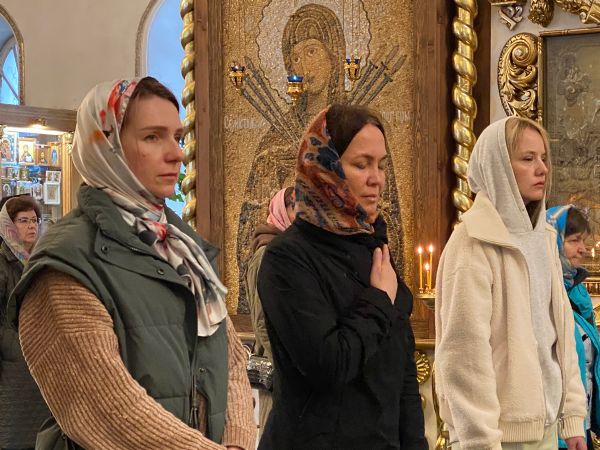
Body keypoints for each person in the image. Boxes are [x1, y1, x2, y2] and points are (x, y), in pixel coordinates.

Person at [8, 78, 255, 450]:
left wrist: (236, 441)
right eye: (152, 137)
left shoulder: (181, 247)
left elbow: (230, 359)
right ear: (106, 146)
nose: (177, 154)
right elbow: (108, 411)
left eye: (178, 137)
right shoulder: (67, 263)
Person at [256, 104, 427, 449]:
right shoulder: (287, 258)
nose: (377, 179)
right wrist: (379, 300)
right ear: (325, 169)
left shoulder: (373, 246)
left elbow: (401, 374)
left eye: (381, 165)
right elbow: (329, 365)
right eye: (362, 164)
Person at [235, 3, 404, 314]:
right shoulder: (274, 142)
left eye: (312, 51)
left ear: (335, 54)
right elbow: (251, 228)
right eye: (295, 57)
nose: (303, 65)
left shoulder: (361, 136)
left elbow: (388, 217)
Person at [435, 116, 587, 450]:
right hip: (495, 437)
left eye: (543, 158)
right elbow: (464, 357)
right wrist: (481, 441)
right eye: (528, 158)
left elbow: (560, 334)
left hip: (545, 430)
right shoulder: (472, 243)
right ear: (499, 166)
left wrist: (572, 415)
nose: (542, 169)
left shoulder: (544, 237)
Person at [547, 205, 600, 449]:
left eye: (583, 240)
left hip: (579, 426)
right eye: (574, 240)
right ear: (552, 242)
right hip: (554, 432)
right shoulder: (541, 292)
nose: (583, 248)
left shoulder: (578, 293)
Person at [244, 186, 295, 438]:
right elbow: (262, 320)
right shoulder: (266, 253)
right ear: (282, 211)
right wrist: (286, 363)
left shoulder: (290, 252)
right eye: (295, 207)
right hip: (278, 369)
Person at [0, 195, 49, 450]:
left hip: (39, 361)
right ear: (8, 225)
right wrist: (16, 345)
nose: (31, 226)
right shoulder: (4, 262)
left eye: (34, 220)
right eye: (23, 221)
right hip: (12, 365)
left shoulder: (40, 259)